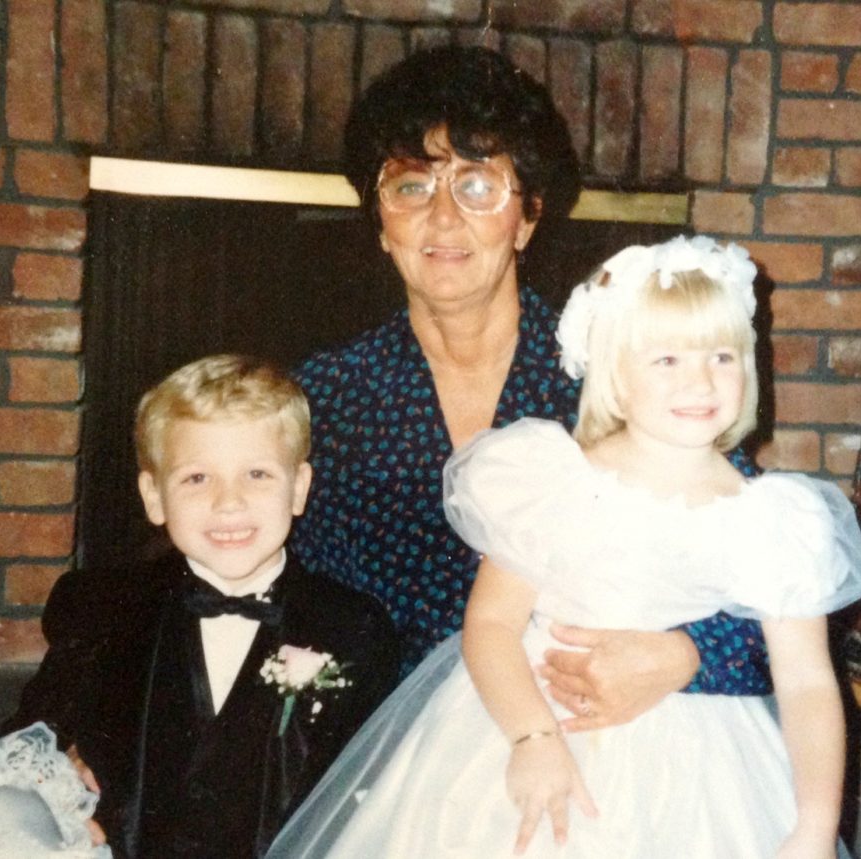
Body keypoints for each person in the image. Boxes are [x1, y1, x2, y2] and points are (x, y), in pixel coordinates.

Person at [267, 235, 861, 858]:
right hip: (530, 731)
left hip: (706, 772)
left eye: (722, 356)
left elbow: (805, 684)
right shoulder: (552, 476)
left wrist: (816, 827)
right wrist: (532, 739)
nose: (701, 381)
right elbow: (491, 624)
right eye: (667, 360)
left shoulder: (776, 516)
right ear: (616, 375)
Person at [289, 43, 772, 727]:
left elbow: (777, 578)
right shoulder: (326, 398)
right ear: (381, 223)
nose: (444, 216)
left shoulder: (621, 376)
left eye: (479, 185)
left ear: (529, 217)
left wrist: (685, 656)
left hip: (590, 740)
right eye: (411, 185)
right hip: (387, 753)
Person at [1, 355, 400, 859]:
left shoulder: (354, 629)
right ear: (154, 495)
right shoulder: (103, 607)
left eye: (257, 474)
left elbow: (371, 792)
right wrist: (59, 775)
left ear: (298, 488)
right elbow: (31, 735)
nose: (228, 502)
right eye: (196, 479)